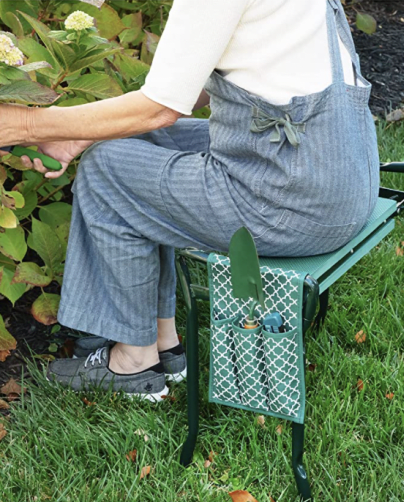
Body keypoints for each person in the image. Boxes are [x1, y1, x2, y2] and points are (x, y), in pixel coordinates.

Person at [0, 0, 379, 401]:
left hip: (292, 205)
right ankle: (163, 342)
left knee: (106, 170)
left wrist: (24, 123)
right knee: (133, 142)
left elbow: (159, 109)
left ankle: (132, 363)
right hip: (339, 174)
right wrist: (79, 134)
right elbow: (185, 87)